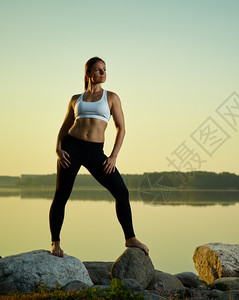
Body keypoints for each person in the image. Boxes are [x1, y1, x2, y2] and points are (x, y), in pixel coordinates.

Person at [49, 56, 149, 258]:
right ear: (88, 74)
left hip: (96, 152)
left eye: (104, 69)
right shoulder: (75, 99)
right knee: (61, 195)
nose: (102, 73)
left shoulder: (111, 97)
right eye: (97, 70)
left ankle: (130, 238)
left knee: (121, 191)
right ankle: (55, 243)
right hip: (71, 148)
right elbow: (65, 127)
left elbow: (121, 129)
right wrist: (58, 149)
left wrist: (113, 157)